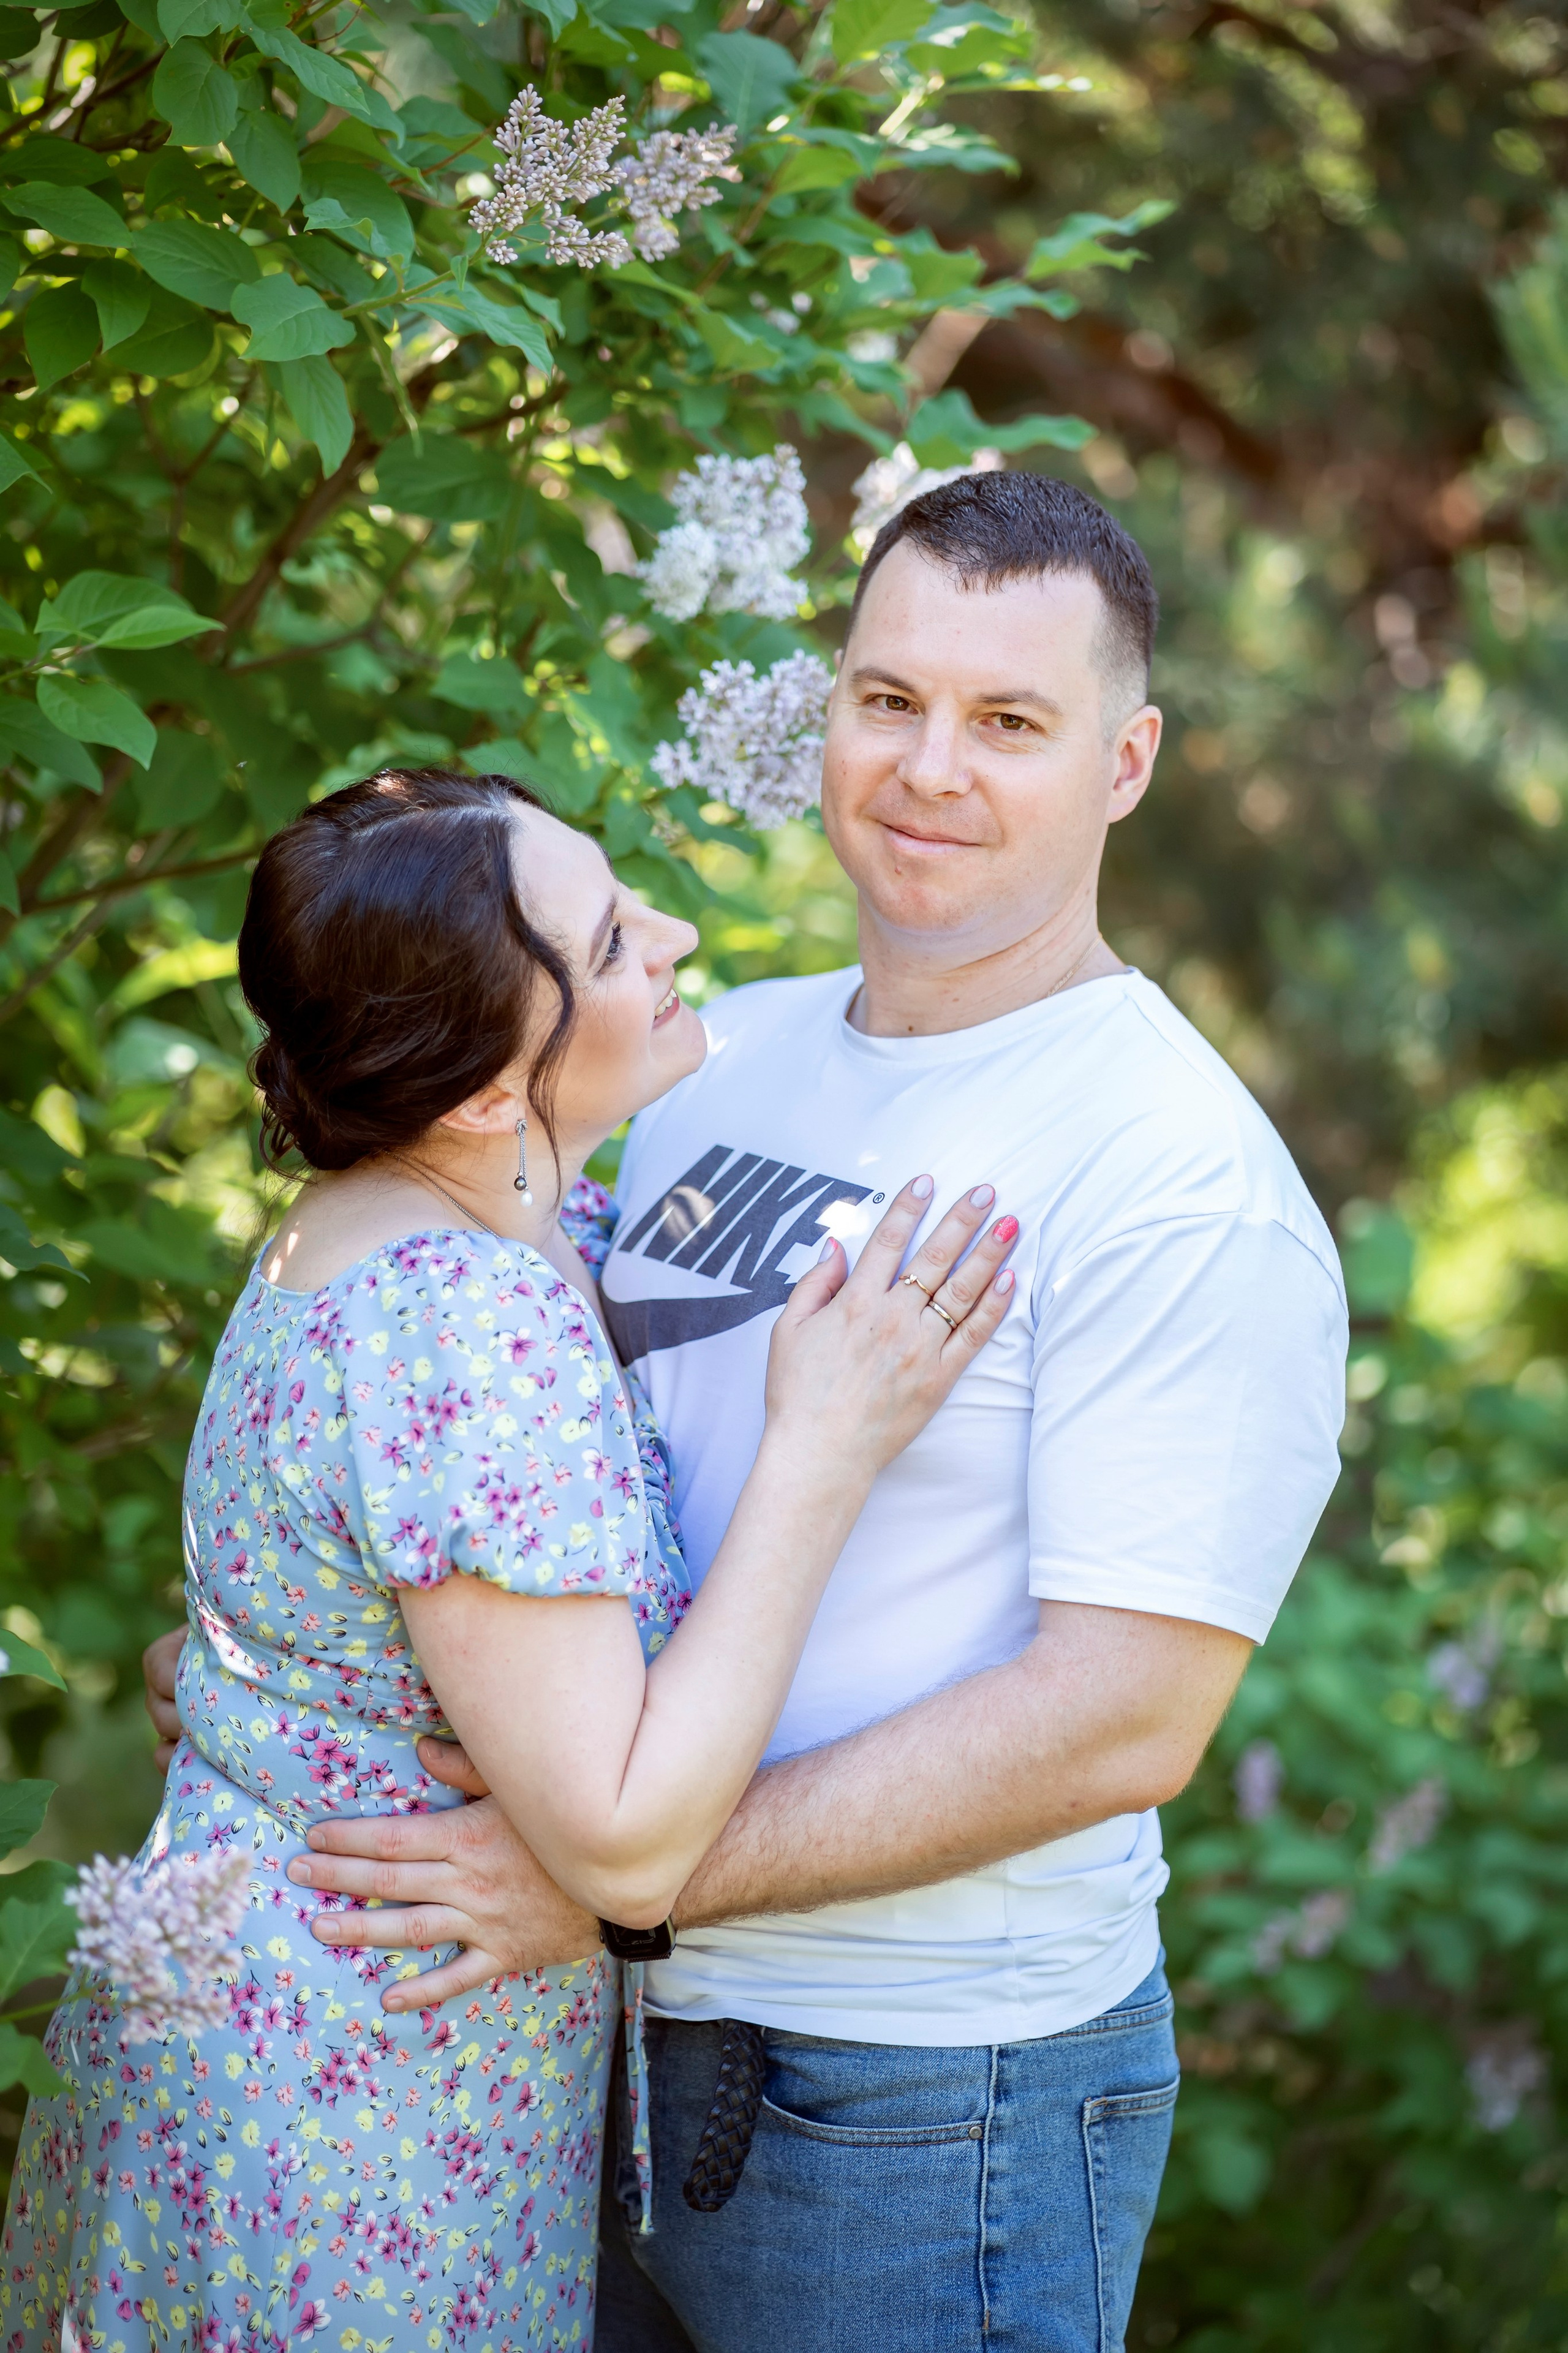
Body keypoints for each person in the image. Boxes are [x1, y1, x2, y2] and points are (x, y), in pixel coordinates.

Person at [144, 472, 1349, 2352]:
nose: (928, 765)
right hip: (590, 2059)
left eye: (1010, 721)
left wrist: (620, 1878)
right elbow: (483, 1452)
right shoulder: (707, 1065)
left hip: (925, 2097)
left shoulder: (1178, 1176)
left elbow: (1128, 1714)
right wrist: (305, 1683)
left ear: (1127, 760)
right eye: (890, 698)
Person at [3, 767, 1017, 2352]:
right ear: (485, 1089)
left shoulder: (383, 1216)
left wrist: (237, 1686)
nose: (676, 935)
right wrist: (827, 1442)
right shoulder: (465, 1314)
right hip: (361, 2107)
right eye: (615, 943)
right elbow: (623, 1840)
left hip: (282, 2027)